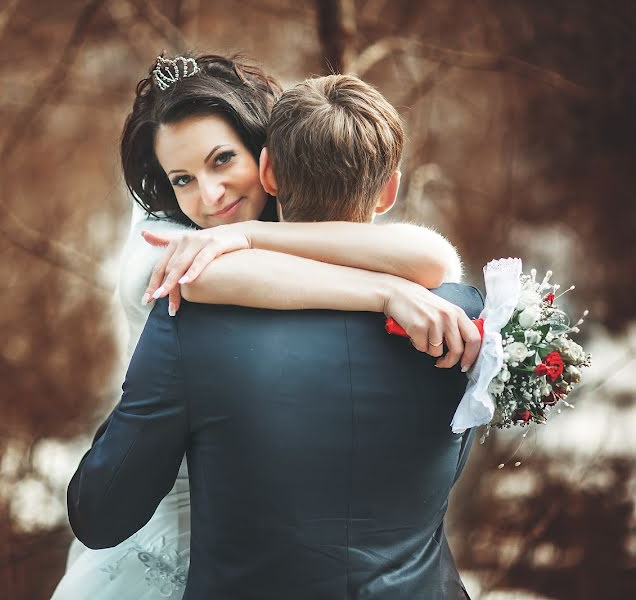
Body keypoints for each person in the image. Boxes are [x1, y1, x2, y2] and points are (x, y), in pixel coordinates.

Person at [52, 56, 480, 599]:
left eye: (223, 160)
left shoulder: (263, 228)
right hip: (171, 530)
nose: (210, 198)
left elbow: (431, 255)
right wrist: (384, 291)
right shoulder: (165, 251)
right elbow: (212, 277)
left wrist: (258, 235)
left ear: (267, 160)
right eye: (182, 179)